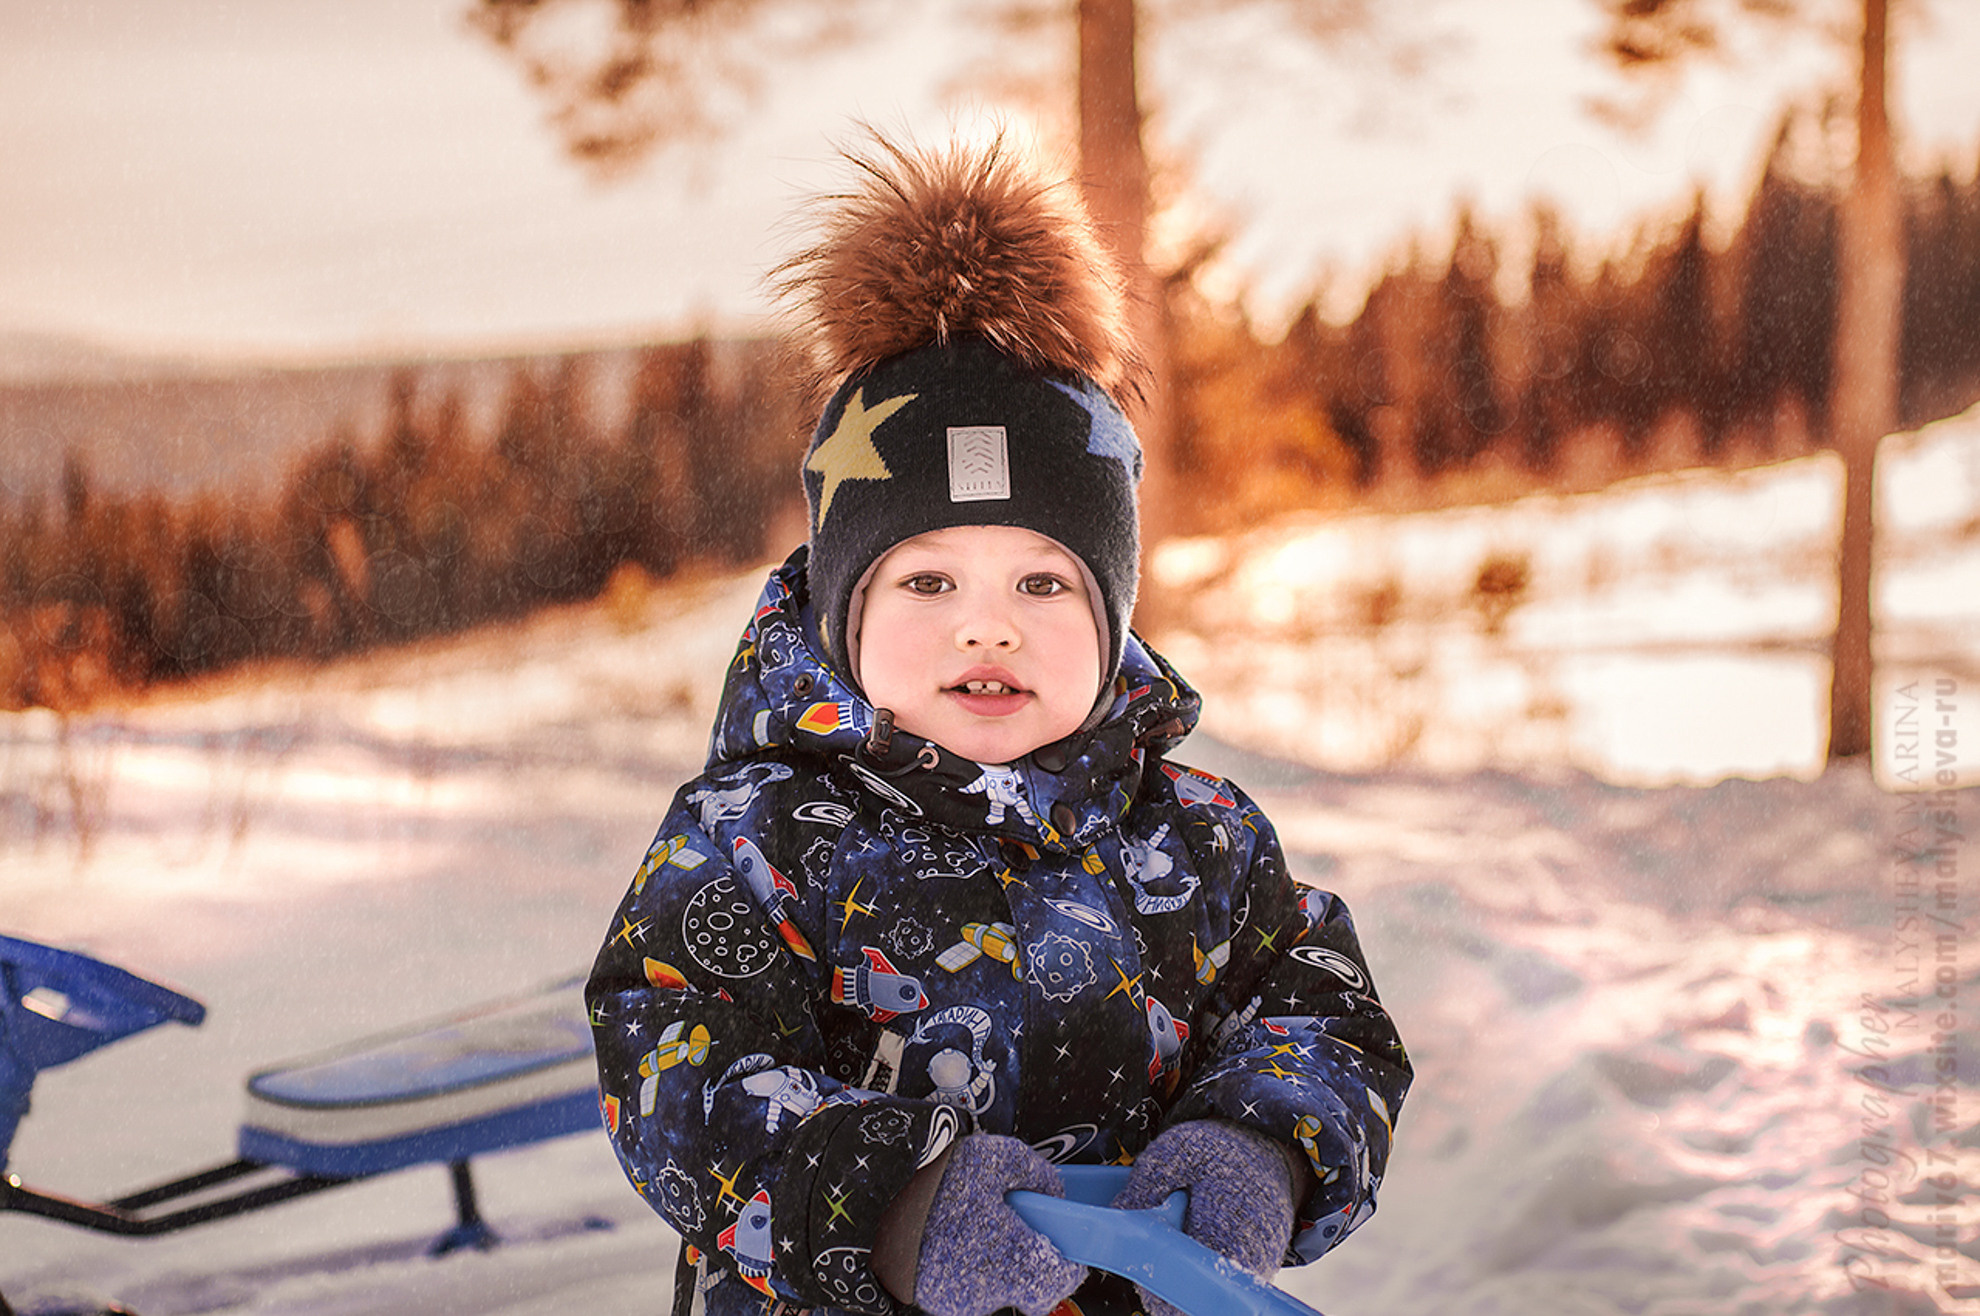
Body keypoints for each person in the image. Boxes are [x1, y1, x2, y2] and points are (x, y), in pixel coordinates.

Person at [587, 132, 1411, 1316]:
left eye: (1043, 584)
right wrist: (897, 1202)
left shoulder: (1201, 837)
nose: (989, 630)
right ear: (843, 612)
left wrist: (1259, 1149)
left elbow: (1322, 1010)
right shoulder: (758, 835)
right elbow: (672, 1054)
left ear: (1115, 614)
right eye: (928, 584)